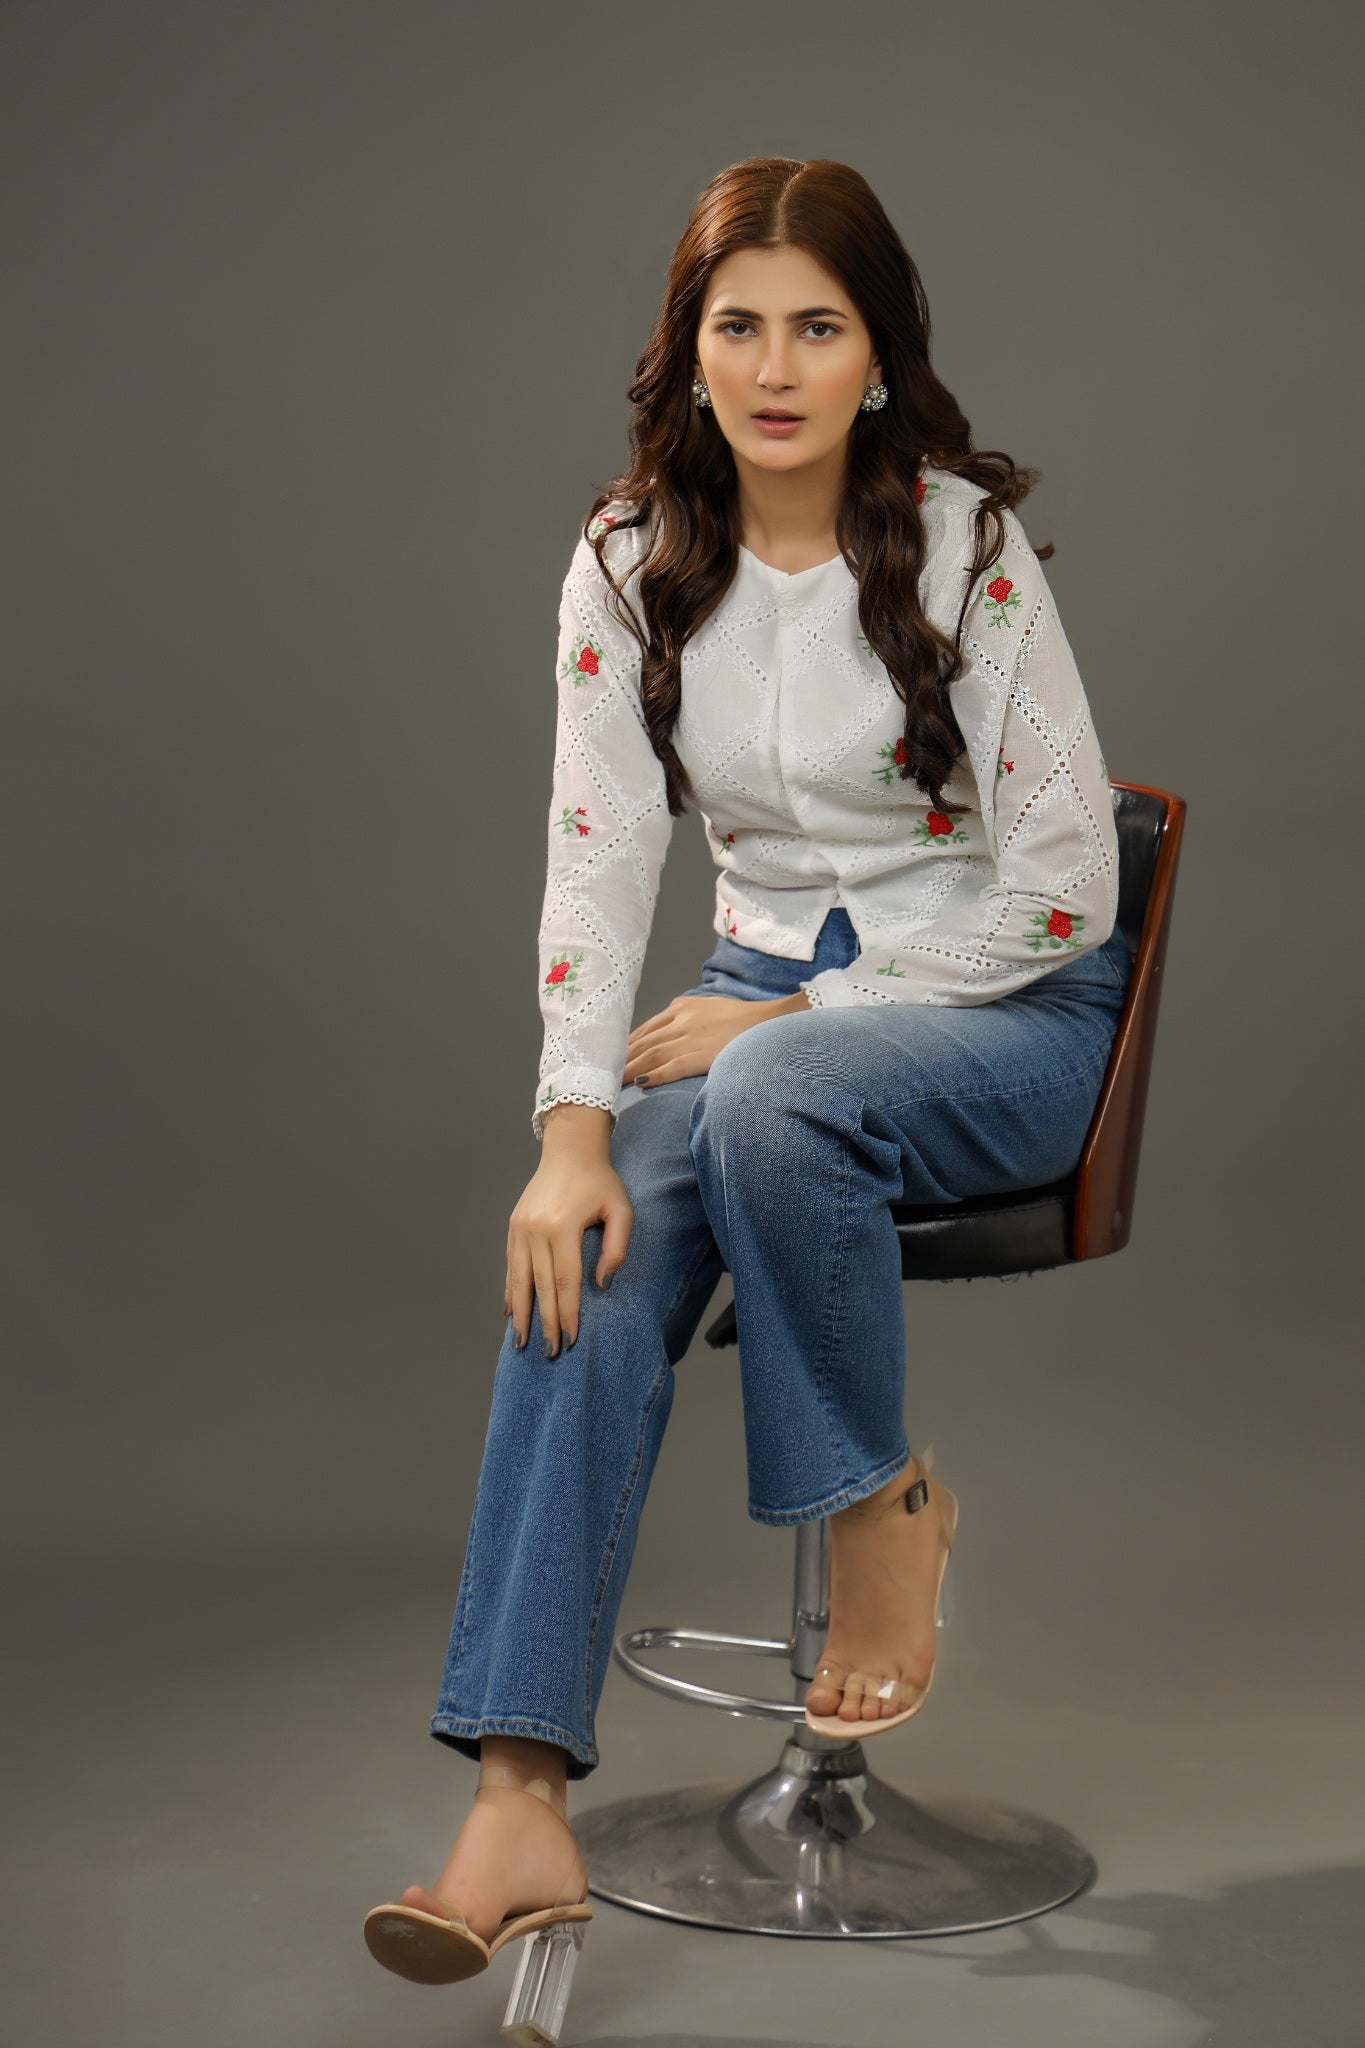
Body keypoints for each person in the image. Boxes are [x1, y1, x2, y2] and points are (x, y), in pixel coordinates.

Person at [364, 154, 1129, 1995]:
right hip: (749, 1013)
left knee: (777, 1096)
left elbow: (1064, 888)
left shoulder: (964, 549)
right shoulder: (631, 564)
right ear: (685, 350)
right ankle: (517, 1794)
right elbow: (595, 858)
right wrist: (565, 1139)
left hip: (1000, 1020)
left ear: (876, 356)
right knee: (594, 1242)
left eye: (817, 325)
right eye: (737, 325)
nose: (774, 365)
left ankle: (874, 1505)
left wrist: (797, 1020)